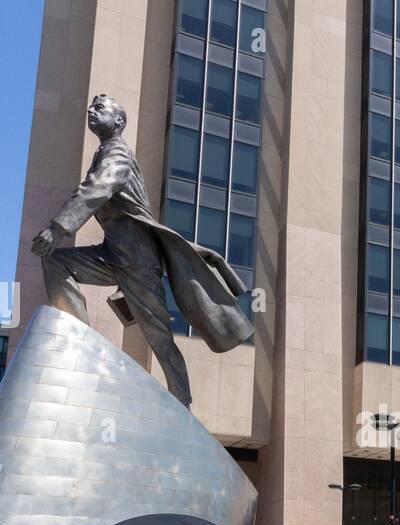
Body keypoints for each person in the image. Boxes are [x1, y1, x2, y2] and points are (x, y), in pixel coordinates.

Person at [31, 94, 253, 409]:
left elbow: (97, 188)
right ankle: (80, 341)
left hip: (137, 261)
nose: (91, 111)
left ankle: (183, 402)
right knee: (56, 262)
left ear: (119, 122)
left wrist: (58, 228)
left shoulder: (117, 154)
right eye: (90, 107)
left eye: (100, 108)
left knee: (159, 338)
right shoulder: (104, 151)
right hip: (112, 255)